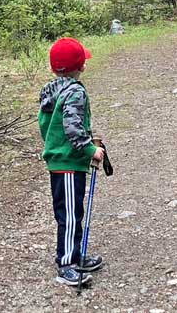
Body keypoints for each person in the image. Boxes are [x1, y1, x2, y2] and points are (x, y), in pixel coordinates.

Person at [38, 37, 106, 287]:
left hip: (61, 161)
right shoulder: (75, 92)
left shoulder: (50, 91)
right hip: (67, 163)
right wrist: (90, 150)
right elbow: (72, 128)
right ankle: (66, 264)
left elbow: (47, 127)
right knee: (69, 215)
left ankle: (76, 255)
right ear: (81, 66)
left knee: (72, 212)